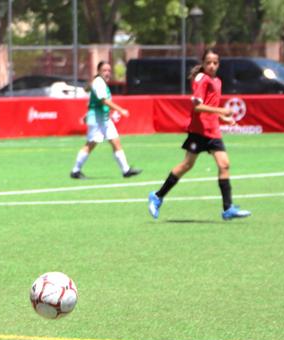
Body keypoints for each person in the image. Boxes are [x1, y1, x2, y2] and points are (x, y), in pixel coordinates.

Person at [148, 49, 251, 220]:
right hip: (199, 131)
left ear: (219, 64)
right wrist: (221, 110)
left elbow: (211, 106)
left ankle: (228, 209)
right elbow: (197, 107)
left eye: (215, 63)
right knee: (186, 165)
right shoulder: (201, 79)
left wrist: (223, 117)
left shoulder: (217, 81)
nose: (212, 66)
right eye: (208, 62)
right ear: (203, 63)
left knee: (224, 165)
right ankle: (157, 196)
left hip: (213, 131)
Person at [70, 61, 141, 179]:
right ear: (98, 71)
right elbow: (104, 101)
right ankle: (75, 171)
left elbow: (94, 101)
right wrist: (121, 110)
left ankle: (126, 170)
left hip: (104, 119)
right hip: (97, 120)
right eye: (104, 70)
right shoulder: (98, 82)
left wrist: (87, 114)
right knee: (90, 144)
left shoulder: (101, 83)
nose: (107, 73)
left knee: (115, 142)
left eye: (109, 70)